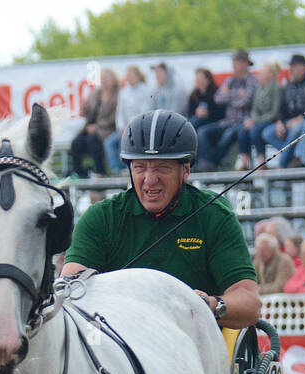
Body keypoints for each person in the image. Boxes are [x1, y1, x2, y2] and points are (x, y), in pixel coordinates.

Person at [62, 109, 260, 328]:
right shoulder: (100, 218)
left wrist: (211, 305)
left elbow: (249, 303)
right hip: (120, 341)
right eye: (139, 167)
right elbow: (71, 290)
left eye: (162, 167)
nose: (149, 180)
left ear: (185, 170)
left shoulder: (214, 215)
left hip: (195, 341)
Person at [195, 50, 258, 172]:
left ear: (245, 64)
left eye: (237, 62)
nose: (234, 65)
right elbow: (218, 98)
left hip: (242, 122)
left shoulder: (252, 81)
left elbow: (244, 101)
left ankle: (214, 164)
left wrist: (228, 95)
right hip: (227, 121)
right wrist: (237, 94)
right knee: (202, 132)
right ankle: (208, 164)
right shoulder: (230, 81)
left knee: (226, 138)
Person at [266, 54, 305, 167]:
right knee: (268, 133)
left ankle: (283, 164)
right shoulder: (289, 85)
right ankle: (290, 156)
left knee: (295, 130)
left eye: (294, 66)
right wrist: (280, 122)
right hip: (290, 121)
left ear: (303, 67)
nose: (291, 70)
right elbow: (282, 107)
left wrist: (301, 118)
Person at [71, 68, 119, 176]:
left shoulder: (117, 95)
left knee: (92, 140)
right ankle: (80, 173)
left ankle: (100, 172)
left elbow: (114, 117)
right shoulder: (96, 93)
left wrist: (97, 127)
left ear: (113, 80)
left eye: (106, 79)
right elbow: (87, 114)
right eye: (102, 79)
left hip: (107, 128)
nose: (104, 82)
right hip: (91, 127)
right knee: (76, 142)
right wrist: (85, 108)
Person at [114, 66, 154, 167]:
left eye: (131, 76)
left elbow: (145, 112)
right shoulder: (124, 92)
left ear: (138, 76)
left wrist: (130, 127)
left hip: (140, 127)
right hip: (125, 128)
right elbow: (120, 112)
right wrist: (121, 127)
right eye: (127, 76)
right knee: (109, 143)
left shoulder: (146, 90)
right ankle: (116, 170)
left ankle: (130, 168)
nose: (129, 78)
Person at [247, 62, 284, 166]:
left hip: (272, 120)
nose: (259, 75)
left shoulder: (277, 88)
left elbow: (275, 111)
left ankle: (261, 161)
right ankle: (248, 161)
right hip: (259, 120)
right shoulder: (258, 88)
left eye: (262, 73)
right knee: (244, 131)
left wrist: (256, 120)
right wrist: (254, 119)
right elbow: (254, 109)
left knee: (255, 130)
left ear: (271, 74)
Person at [186, 68, 222, 133]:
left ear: (207, 80)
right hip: (198, 120)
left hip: (213, 121)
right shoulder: (194, 94)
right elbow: (190, 113)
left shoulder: (217, 93)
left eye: (199, 78)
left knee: (196, 124)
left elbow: (221, 113)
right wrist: (196, 112)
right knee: (194, 121)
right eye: (196, 78)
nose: (196, 80)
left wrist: (208, 114)